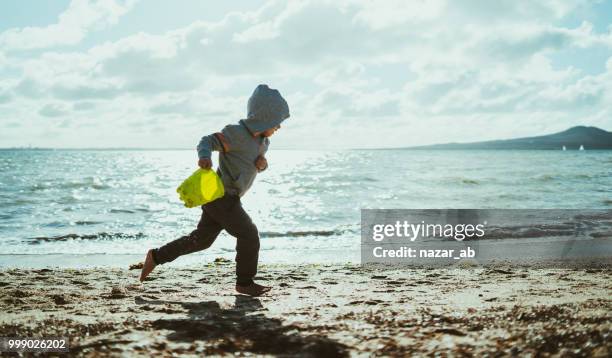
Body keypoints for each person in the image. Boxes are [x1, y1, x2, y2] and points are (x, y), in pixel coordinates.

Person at [139, 84, 290, 296]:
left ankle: (156, 256)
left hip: (230, 198)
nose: (279, 127)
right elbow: (207, 141)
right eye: (277, 122)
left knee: (201, 240)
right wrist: (205, 156)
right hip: (220, 197)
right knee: (249, 234)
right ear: (264, 118)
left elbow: (257, 165)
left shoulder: (264, 142)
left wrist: (262, 165)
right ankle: (244, 283)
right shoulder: (236, 133)